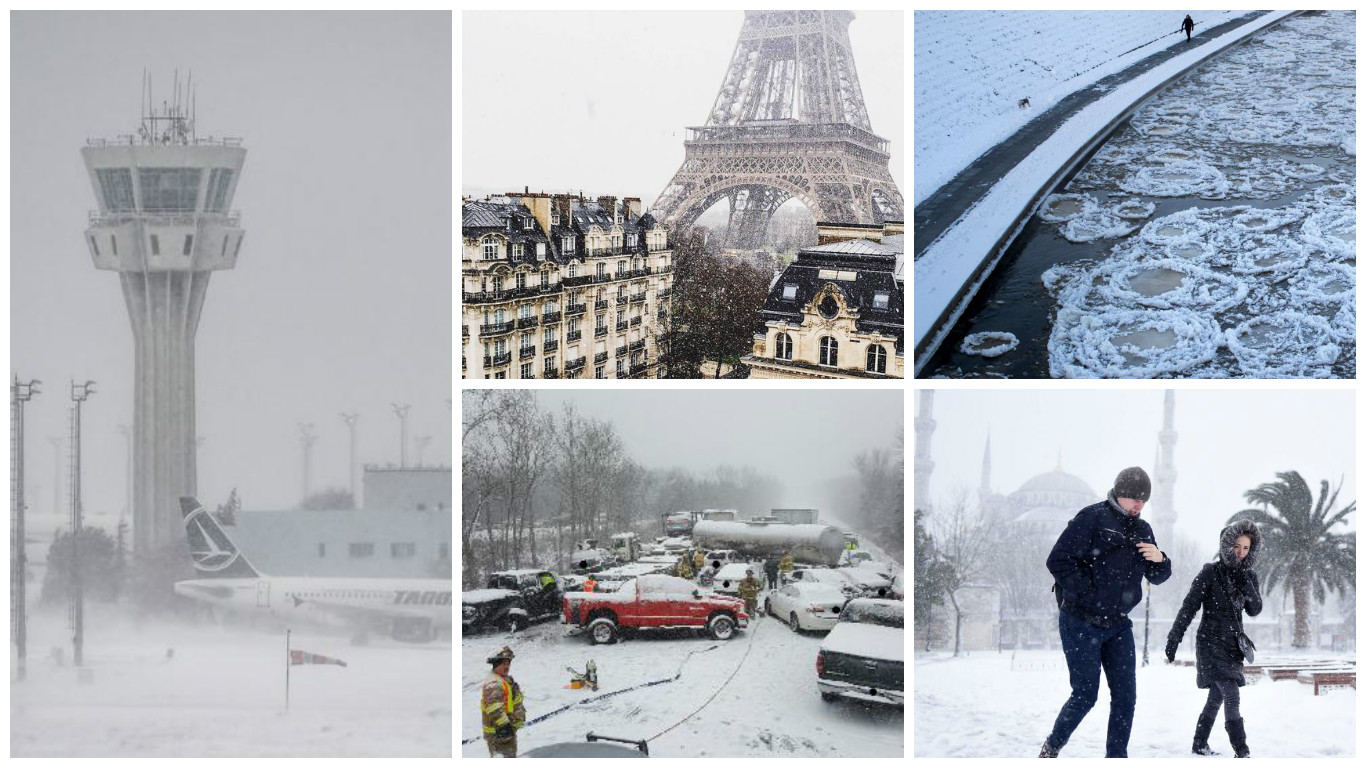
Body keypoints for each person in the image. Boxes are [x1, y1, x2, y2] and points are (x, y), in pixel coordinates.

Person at [1039, 467, 1172, 758]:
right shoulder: (1092, 518)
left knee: (1126, 698)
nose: (1139, 505)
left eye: (1144, 500)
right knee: (1086, 695)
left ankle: (1116, 758)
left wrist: (1161, 560)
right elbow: (1058, 560)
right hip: (1080, 620)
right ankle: (1052, 747)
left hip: (1118, 626)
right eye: (1134, 498)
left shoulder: (1143, 529)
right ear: (1119, 493)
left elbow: (1158, 576)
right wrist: (1089, 591)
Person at [1165, 520, 1261, 758]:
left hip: (1233, 646)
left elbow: (1255, 609)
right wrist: (1174, 638)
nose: (1240, 552)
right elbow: (1189, 606)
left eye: (1246, 548)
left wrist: (1245, 580)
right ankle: (1243, 751)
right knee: (1231, 694)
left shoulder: (1249, 575)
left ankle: (1199, 744)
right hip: (1210, 643)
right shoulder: (1211, 572)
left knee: (1216, 696)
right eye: (1236, 546)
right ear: (1226, 545)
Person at [480, 646, 526, 758]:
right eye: (503, 664)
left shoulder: (504, 680)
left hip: (506, 731)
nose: (507, 666)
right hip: (499, 734)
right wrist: (505, 727)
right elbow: (494, 708)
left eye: (508, 663)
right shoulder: (494, 683)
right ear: (496, 664)